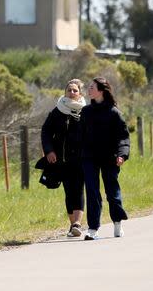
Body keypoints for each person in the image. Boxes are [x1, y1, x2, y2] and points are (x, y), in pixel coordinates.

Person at [80, 77, 130, 240]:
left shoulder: (114, 112)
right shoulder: (86, 112)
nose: (89, 89)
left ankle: (117, 222)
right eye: (88, 87)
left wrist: (122, 155)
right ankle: (92, 228)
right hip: (89, 157)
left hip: (110, 157)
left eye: (92, 87)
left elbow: (123, 137)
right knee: (92, 192)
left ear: (101, 90)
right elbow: (79, 135)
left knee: (112, 192)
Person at [41, 79, 87, 238]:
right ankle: (72, 224)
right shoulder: (57, 111)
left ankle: (77, 224)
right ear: (65, 92)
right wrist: (49, 151)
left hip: (81, 158)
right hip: (62, 159)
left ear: (80, 93)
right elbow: (46, 131)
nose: (72, 93)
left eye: (75, 90)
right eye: (69, 90)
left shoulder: (85, 111)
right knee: (68, 191)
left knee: (79, 189)